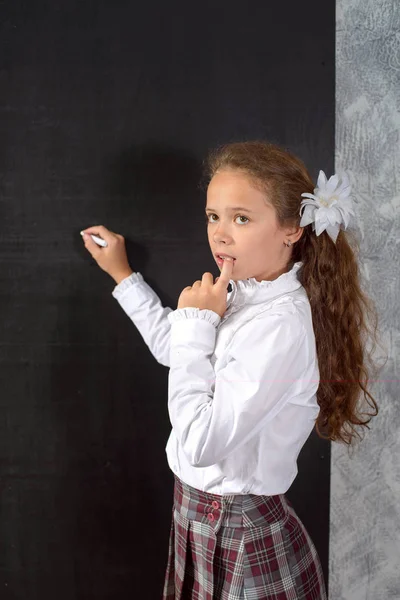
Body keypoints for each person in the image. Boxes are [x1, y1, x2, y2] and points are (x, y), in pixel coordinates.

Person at [81, 140, 383, 599]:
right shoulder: (244, 292)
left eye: (241, 218)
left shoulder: (280, 328)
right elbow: (175, 347)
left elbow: (201, 443)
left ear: (291, 230)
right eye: (213, 216)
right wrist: (125, 278)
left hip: (238, 534)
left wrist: (199, 322)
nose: (220, 234)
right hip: (200, 520)